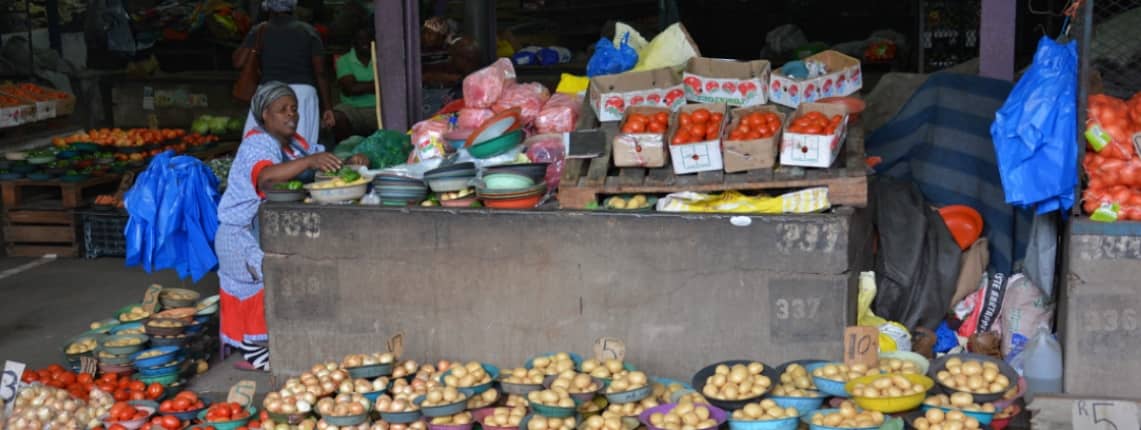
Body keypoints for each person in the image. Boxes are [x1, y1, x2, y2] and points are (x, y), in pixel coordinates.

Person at [216, 82, 368, 371]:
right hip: (242, 238)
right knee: (276, 283)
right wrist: (311, 160)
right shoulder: (257, 143)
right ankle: (258, 353)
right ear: (265, 115)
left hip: (267, 232)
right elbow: (267, 179)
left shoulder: (295, 144)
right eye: (282, 110)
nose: (291, 115)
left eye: (294, 109)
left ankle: (276, 347)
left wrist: (348, 162)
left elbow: (317, 164)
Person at [232, 0, 335, 147]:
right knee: (301, 150)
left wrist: (254, 40)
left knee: (259, 147)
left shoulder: (260, 30)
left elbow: (238, 62)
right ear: (293, 7)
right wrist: (328, 107)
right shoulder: (309, 31)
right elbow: (321, 72)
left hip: (269, 95)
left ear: (267, 8)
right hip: (302, 96)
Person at [333, 27, 379, 141]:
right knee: (337, 116)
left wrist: (362, 86)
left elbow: (391, 84)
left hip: (379, 108)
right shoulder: (345, 60)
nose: (365, 42)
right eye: (360, 39)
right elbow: (351, 89)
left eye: (368, 39)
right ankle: (343, 150)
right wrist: (378, 84)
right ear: (354, 42)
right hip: (353, 110)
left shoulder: (380, 57)